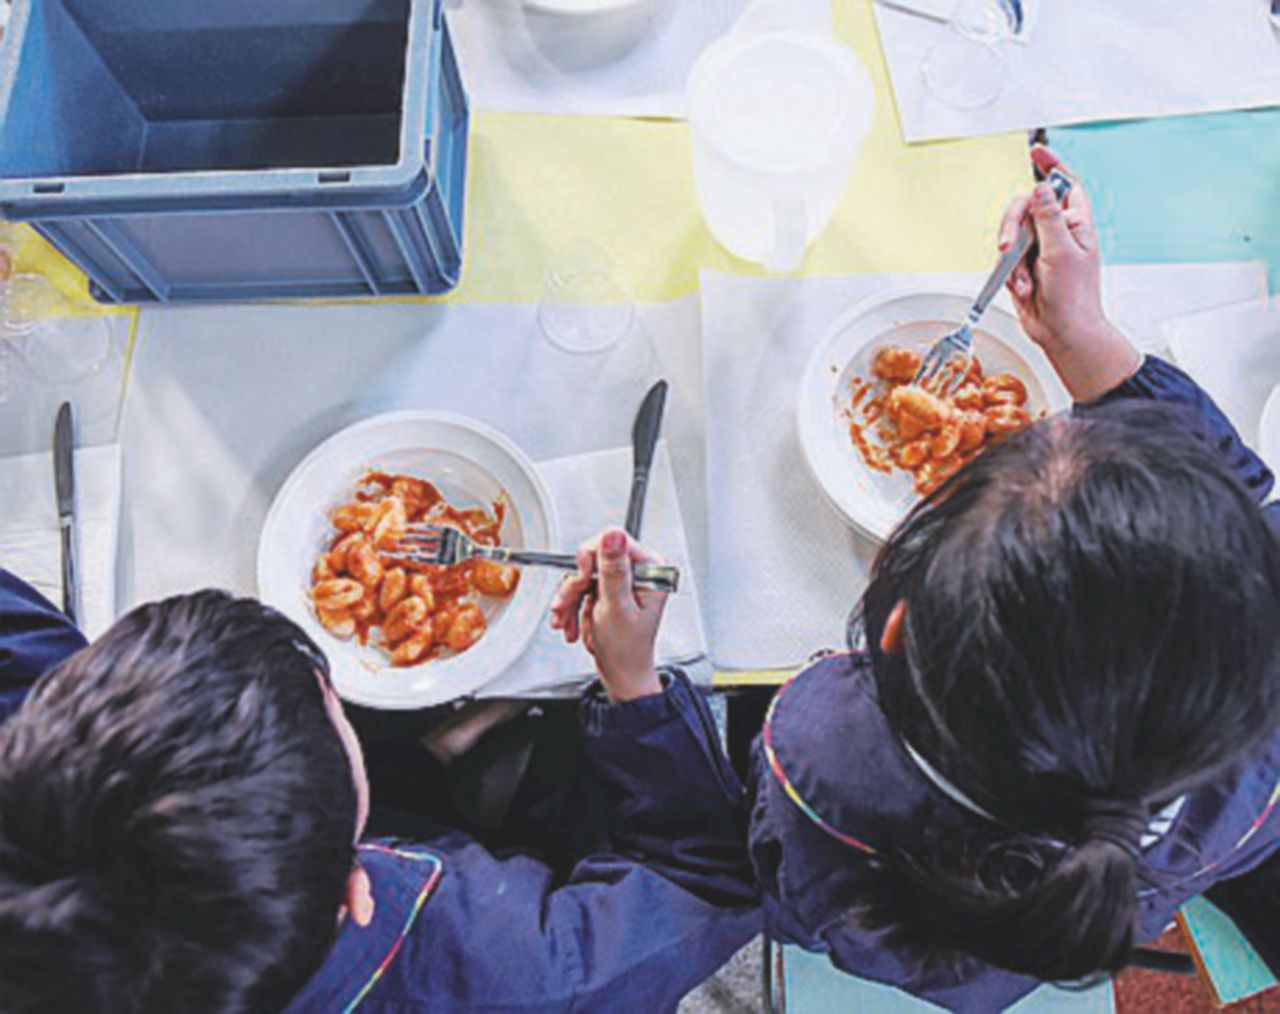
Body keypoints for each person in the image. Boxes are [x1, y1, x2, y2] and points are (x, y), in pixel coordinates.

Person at [555, 148, 1280, 1011]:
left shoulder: (823, 753)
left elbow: (722, 872)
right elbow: (1244, 497)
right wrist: (1092, 346)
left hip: (863, 903)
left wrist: (636, 693)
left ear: (890, 621)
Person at [0, 531, 759, 1012]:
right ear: (356, 886)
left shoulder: (42, 782)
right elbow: (710, 883)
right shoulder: (517, 978)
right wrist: (632, 684)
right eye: (331, 710)